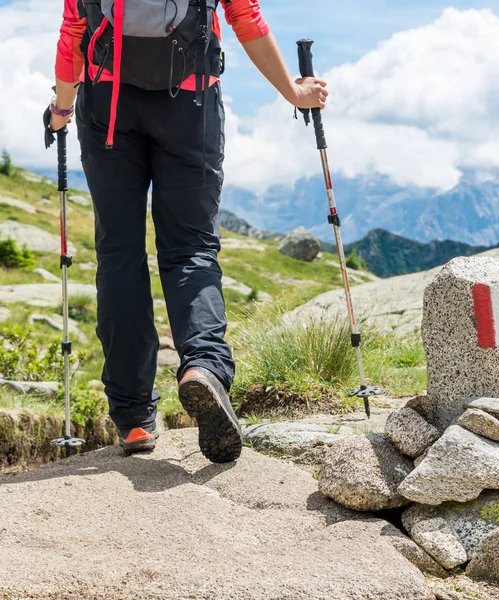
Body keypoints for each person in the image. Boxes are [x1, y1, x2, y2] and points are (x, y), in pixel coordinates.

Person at [49, 0, 328, 463]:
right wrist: (293, 93)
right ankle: (204, 368)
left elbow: (73, 30)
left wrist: (62, 106)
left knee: (119, 254)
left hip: (109, 109)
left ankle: (134, 416)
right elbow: (246, 17)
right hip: (191, 106)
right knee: (190, 250)